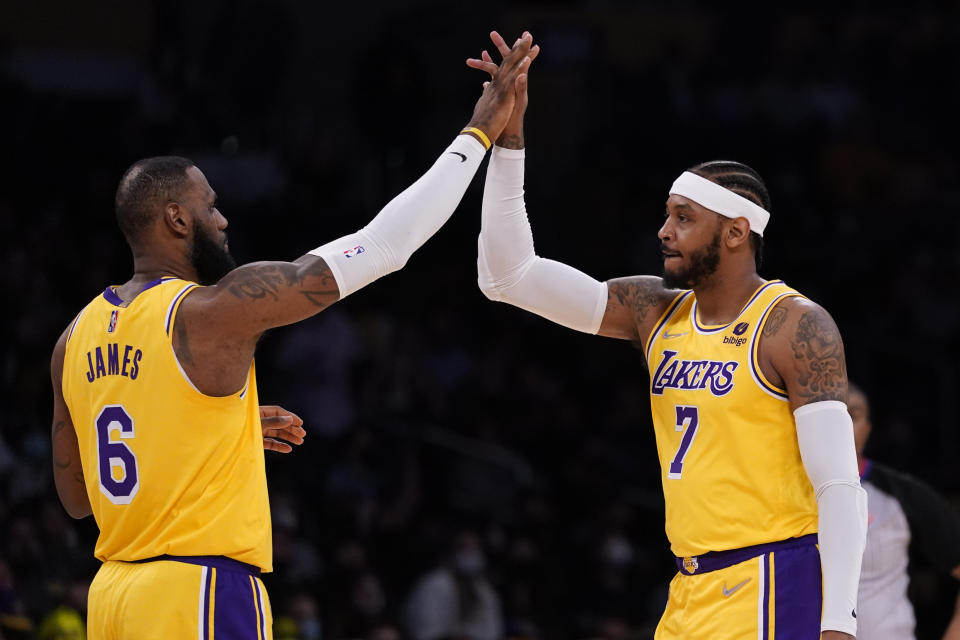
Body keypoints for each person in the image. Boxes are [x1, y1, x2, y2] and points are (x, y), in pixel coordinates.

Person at [49, 33, 537, 639]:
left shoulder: (73, 339)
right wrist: (478, 134)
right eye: (211, 206)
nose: (223, 220)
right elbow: (385, 244)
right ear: (176, 219)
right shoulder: (211, 310)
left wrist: (206, 433)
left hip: (112, 599)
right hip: (198, 588)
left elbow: (78, 496)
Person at [467, 32, 867, 639]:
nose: (664, 231)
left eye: (684, 218)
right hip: (688, 590)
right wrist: (509, 139)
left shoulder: (793, 324)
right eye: (666, 215)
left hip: (771, 581)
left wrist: (839, 623)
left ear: (735, 233)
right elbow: (507, 277)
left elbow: (839, 483)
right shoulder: (653, 310)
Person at [848, 383, 960, 640]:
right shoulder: (780, 493)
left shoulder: (901, 494)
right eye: (833, 413)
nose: (842, 422)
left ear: (868, 429)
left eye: (853, 414)